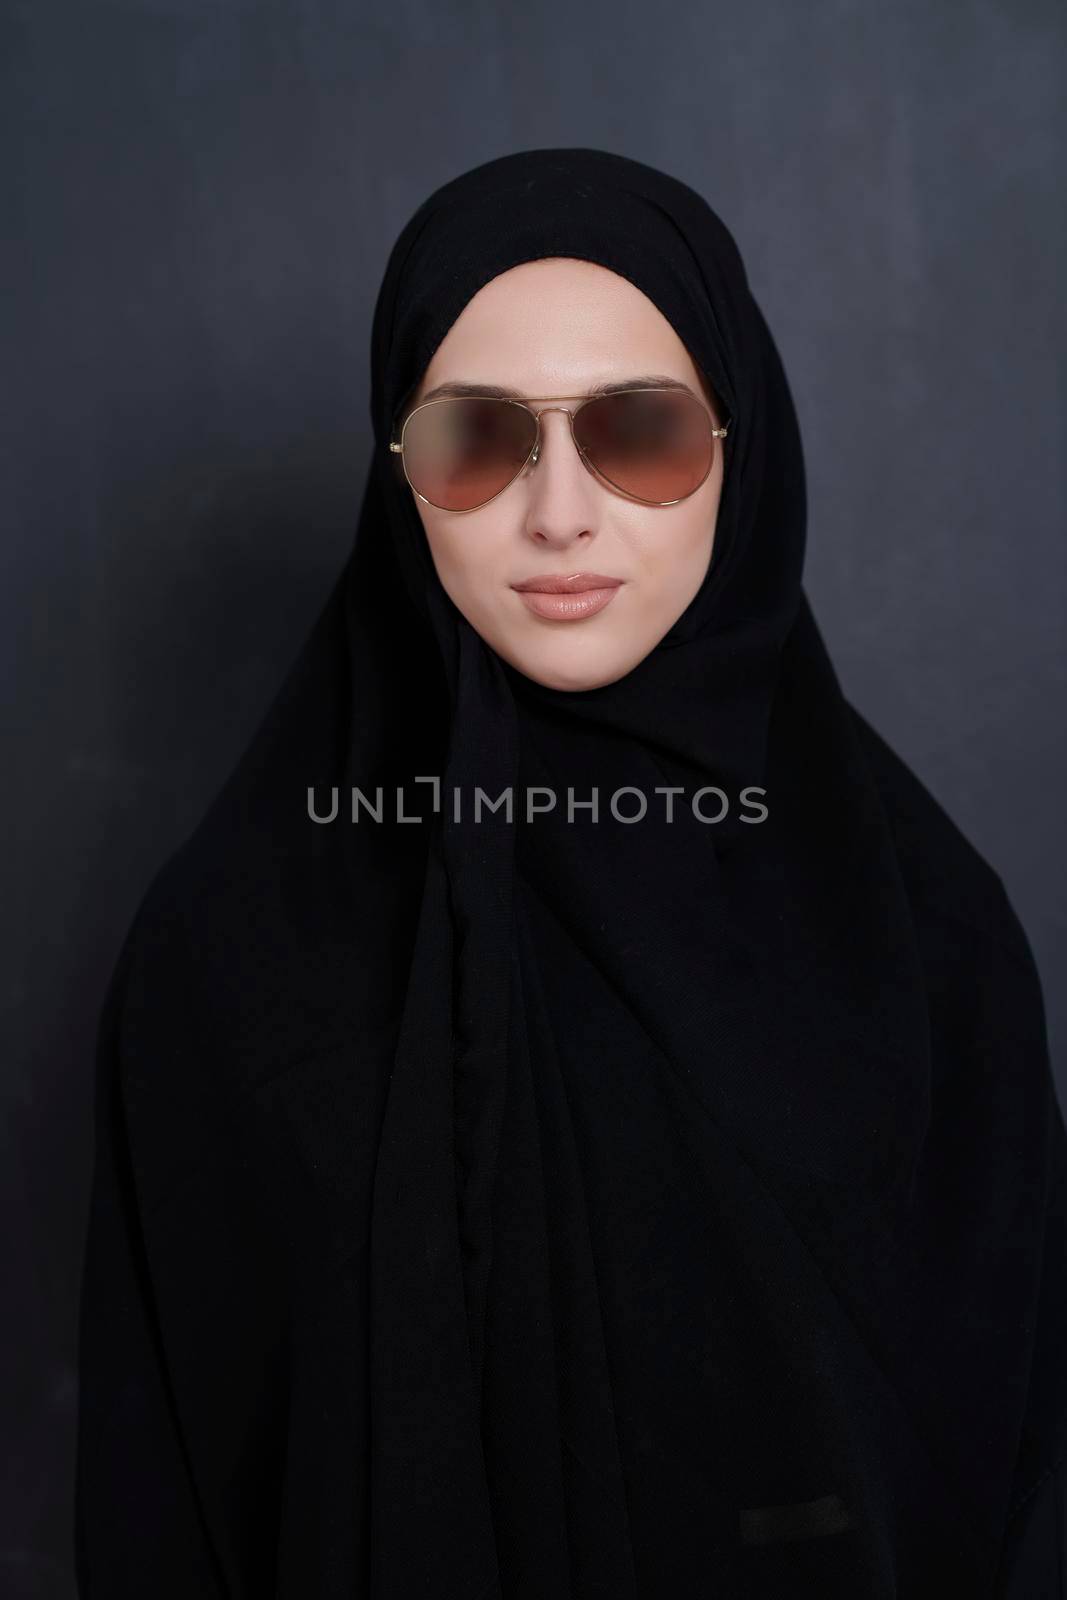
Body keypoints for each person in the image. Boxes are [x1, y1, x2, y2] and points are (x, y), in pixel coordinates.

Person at [74, 148, 1066, 1598]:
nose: (557, 514)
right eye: (477, 438)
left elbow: (1025, 1473)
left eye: (640, 434)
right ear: (397, 469)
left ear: (747, 444)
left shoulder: (924, 934)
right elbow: (167, 1496)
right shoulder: (231, 951)